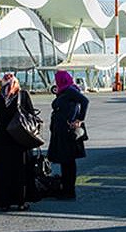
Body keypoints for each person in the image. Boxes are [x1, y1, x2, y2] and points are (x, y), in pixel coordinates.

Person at [0, 74, 38, 211]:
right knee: (20, 170)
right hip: (20, 138)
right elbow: (31, 115)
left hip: (2, 139)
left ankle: (4, 202)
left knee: (3, 171)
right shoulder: (23, 95)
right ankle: (21, 201)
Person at [47, 70, 89, 200]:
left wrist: (79, 119)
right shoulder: (65, 91)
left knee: (68, 161)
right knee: (66, 162)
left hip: (67, 132)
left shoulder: (70, 90)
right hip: (62, 131)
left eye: (57, 80)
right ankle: (66, 189)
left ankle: (69, 191)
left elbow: (85, 101)